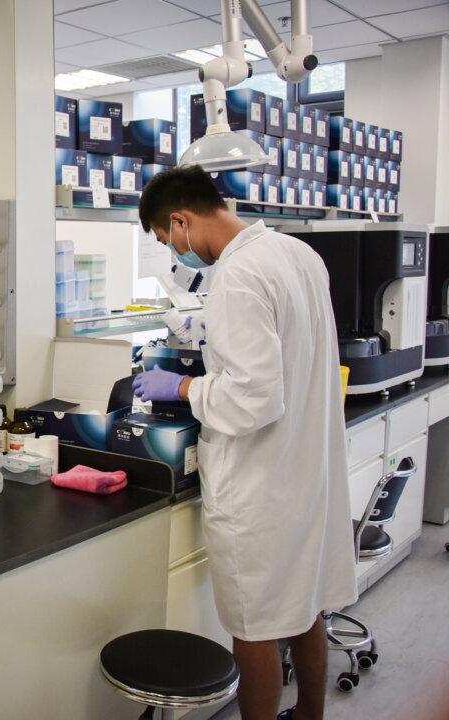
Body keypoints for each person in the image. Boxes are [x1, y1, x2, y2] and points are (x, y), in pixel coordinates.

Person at [132, 166, 356, 720]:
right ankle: (309, 714)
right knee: (303, 607)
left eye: (165, 239)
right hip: (305, 470)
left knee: (254, 628)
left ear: (181, 221)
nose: (174, 251)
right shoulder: (298, 254)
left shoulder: (234, 277)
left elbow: (253, 397)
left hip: (259, 484)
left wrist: (181, 386)